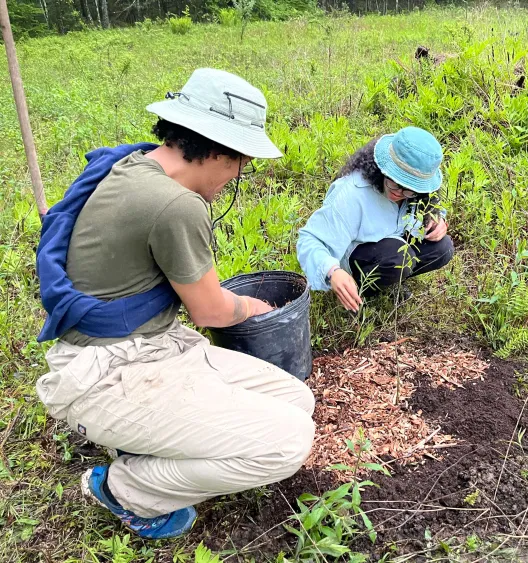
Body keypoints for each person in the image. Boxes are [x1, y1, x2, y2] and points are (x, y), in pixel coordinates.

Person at [34, 68, 315, 539]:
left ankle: (150, 446)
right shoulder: (176, 205)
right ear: (217, 148)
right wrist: (251, 308)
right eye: (241, 161)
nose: (237, 174)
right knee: (288, 443)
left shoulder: (133, 164)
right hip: (105, 373)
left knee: (295, 398)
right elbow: (211, 312)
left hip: (151, 343)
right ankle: (125, 488)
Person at [297, 126, 454, 312]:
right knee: (399, 258)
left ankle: (388, 281)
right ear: (382, 170)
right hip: (360, 256)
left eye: (410, 190)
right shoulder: (351, 193)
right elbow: (309, 240)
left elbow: (432, 211)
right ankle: (359, 287)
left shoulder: (415, 195)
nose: (399, 194)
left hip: (393, 249)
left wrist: (438, 221)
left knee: (442, 248)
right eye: (394, 184)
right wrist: (333, 272)